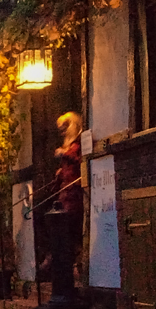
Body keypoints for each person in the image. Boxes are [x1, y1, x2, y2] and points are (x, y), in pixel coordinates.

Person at [53, 111, 84, 262]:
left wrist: (65, 155)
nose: (63, 132)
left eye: (65, 127)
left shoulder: (79, 143)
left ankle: (75, 260)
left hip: (74, 192)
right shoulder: (70, 145)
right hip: (66, 191)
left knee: (70, 224)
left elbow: (80, 160)